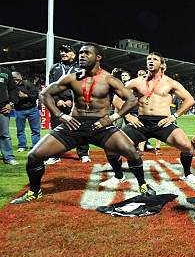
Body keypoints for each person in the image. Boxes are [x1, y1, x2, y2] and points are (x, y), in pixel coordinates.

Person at [11, 43, 154, 204]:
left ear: (98, 57)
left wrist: (113, 117)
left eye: (87, 53)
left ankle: (143, 185)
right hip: (74, 125)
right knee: (34, 156)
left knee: (132, 153)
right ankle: (34, 191)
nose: (82, 56)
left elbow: (131, 99)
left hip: (101, 126)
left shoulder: (109, 79)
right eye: (80, 53)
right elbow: (44, 94)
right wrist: (60, 115)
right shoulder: (72, 77)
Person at [101, 52, 195, 186]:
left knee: (186, 146)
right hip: (141, 122)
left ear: (162, 64)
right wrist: (128, 116)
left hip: (163, 122)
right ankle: (118, 176)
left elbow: (190, 100)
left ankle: (187, 174)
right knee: (110, 145)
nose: (151, 61)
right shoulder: (136, 82)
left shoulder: (170, 82)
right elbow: (116, 99)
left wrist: (174, 116)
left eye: (155, 59)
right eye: (149, 59)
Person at [46, 44, 91, 164]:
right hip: (58, 104)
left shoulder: (81, 68)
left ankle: (83, 153)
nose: (63, 53)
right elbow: (50, 87)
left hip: (76, 104)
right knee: (56, 130)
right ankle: (55, 155)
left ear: (74, 54)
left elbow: (85, 87)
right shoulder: (54, 68)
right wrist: (57, 100)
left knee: (80, 128)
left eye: (66, 51)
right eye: (61, 51)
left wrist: (73, 100)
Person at [12, 72, 41, 152]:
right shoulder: (11, 87)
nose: (14, 82)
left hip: (32, 109)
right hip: (19, 110)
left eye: (15, 80)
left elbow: (36, 95)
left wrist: (25, 96)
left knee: (35, 130)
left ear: (19, 79)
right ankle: (22, 146)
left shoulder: (28, 84)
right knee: (20, 130)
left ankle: (35, 146)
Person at [0, 66, 18, 165]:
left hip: (2, 108)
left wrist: (11, 104)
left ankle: (8, 157)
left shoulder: (5, 72)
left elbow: (13, 90)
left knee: (4, 135)